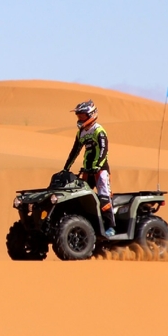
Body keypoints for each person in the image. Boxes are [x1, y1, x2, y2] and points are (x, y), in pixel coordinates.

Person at [63, 99, 116, 237]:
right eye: (78, 116)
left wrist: (98, 165)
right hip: (87, 170)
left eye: (82, 116)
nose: (80, 118)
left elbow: (104, 149)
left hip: (100, 170)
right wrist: (66, 168)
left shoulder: (99, 130)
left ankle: (111, 227)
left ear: (91, 115)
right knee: (82, 198)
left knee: (103, 197)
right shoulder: (81, 132)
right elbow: (75, 151)